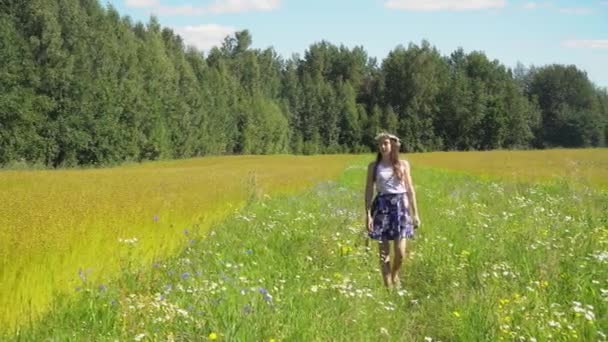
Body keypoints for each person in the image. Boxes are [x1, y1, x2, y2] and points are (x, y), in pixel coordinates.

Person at [364, 132, 420, 288]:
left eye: (386, 143)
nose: (383, 146)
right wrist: (368, 214)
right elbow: (369, 190)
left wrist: (415, 214)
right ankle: (388, 285)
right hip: (382, 206)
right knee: (384, 253)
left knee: (400, 253)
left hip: (401, 207)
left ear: (392, 145)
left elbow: (410, 189)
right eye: (380, 144)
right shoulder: (374, 167)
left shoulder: (403, 164)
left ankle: (395, 275)